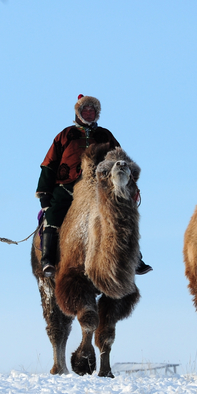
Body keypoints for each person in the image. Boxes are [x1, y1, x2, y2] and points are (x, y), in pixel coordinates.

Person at [35, 94, 151, 278]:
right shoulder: (65, 135)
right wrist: (44, 194)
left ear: (97, 114)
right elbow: (49, 163)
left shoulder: (105, 135)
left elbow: (121, 160)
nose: (89, 113)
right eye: (85, 110)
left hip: (98, 186)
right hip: (68, 187)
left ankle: (135, 258)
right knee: (53, 214)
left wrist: (132, 188)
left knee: (120, 216)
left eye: (92, 110)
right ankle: (48, 260)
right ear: (78, 113)